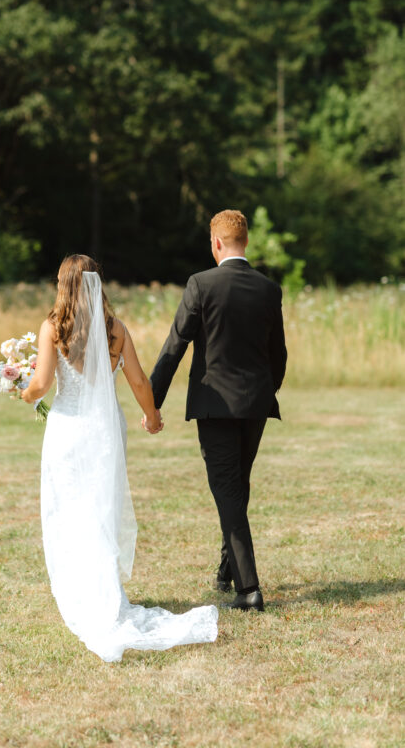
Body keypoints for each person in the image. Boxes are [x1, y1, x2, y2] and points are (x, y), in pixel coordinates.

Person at [21, 254, 218, 662]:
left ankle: (83, 593)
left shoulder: (52, 327)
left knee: (69, 508)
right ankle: (103, 591)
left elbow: (41, 384)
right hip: (106, 428)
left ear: (63, 284)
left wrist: (21, 390)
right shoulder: (115, 330)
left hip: (67, 429)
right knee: (101, 506)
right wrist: (152, 415)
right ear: (97, 283)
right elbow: (139, 380)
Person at [150, 210, 287, 612]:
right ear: (245, 241)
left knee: (228, 492)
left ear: (216, 243)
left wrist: (152, 401)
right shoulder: (268, 288)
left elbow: (175, 346)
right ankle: (228, 569)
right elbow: (277, 354)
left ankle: (249, 590)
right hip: (256, 405)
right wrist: (264, 392)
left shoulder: (201, 284)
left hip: (215, 406)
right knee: (236, 487)